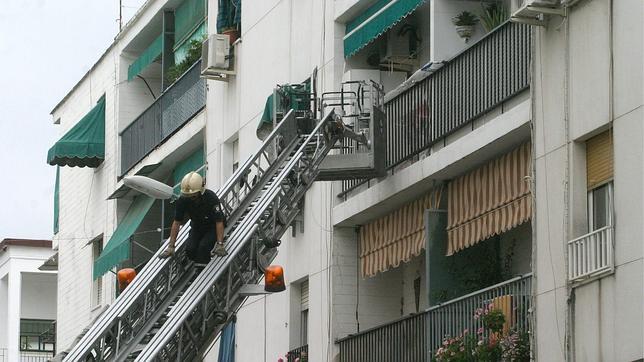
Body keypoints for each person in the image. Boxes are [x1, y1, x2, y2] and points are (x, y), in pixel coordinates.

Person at [159, 171, 227, 264]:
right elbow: (177, 222)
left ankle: (201, 270)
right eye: (188, 196)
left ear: (200, 192)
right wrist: (171, 246)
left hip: (212, 227)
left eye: (193, 196)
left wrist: (220, 244)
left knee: (203, 247)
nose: (190, 199)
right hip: (197, 226)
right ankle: (198, 263)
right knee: (190, 249)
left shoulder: (211, 198)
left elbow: (219, 221)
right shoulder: (183, 200)